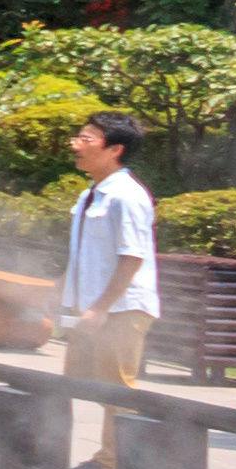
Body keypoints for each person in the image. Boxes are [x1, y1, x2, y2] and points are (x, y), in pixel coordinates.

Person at [60, 110, 159, 387]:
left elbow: (132, 257)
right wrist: (61, 291)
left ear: (115, 149)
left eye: (85, 139)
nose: (75, 145)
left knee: (117, 394)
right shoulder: (89, 194)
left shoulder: (127, 196)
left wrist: (101, 309)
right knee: (69, 386)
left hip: (121, 311)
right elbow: (84, 255)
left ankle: (126, 433)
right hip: (92, 308)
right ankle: (49, 432)